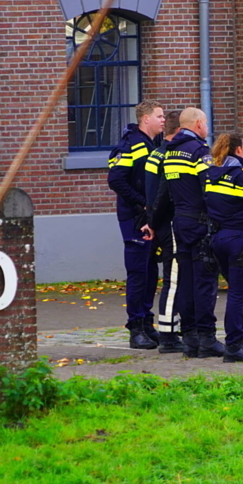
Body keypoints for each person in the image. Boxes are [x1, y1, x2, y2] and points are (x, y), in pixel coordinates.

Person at [162, 107, 225, 358]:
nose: (207, 128)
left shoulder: (170, 152)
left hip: (180, 222)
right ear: (198, 124)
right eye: (206, 123)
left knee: (185, 283)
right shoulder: (199, 152)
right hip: (200, 224)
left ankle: (189, 339)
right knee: (205, 282)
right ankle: (207, 338)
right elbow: (210, 188)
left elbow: (166, 192)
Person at [202, 133, 243, 362]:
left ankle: (231, 342)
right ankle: (234, 346)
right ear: (239, 150)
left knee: (234, 291)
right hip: (239, 239)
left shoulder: (211, 175)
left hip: (217, 239)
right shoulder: (242, 175)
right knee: (238, 295)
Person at [107, 100, 164, 350]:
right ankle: (135, 328)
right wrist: (142, 204)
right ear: (145, 119)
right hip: (134, 218)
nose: (163, 120)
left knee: (151, 272)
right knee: (138, 272)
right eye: (159, 116)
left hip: (150, 217)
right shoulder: (131, 144)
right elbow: (116, 180)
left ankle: (147, 322)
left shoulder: (155, 144)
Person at [143, 108, 183, 353]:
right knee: (174, 280)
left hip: (162, 223)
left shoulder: (155, 155)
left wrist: (152, 221)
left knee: (173, 280)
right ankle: (168, 336)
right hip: (172, 224)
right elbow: (162, 195)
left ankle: (173, 331)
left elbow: (150, 193)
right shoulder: (169, 156)